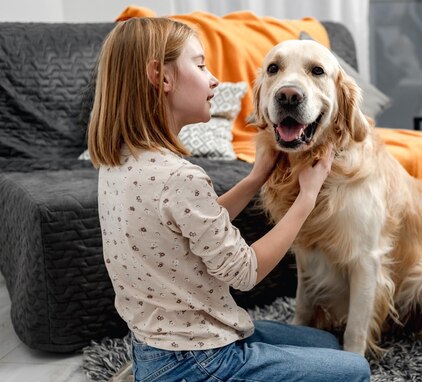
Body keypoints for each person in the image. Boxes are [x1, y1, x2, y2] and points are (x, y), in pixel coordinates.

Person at [87, 17, 370, 382]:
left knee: (324, 344)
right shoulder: (181, 178)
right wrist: (307, 197)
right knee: (355, 370)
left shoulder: (120, 163)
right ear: (162, 77)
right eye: (201, 65)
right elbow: (245, 272)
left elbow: (191, 227)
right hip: (202, 359)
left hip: (156, 346)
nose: (215, 79)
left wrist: (256, 177)